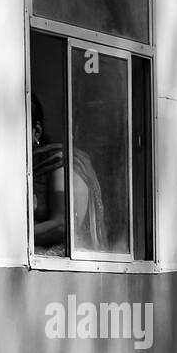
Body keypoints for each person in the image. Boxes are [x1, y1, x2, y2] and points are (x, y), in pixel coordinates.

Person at [31, 96, 106, 253]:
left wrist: (10, 240)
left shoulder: (58, 161)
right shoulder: (23, 168)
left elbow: (63, 224)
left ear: (36, 131)